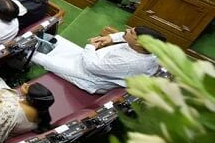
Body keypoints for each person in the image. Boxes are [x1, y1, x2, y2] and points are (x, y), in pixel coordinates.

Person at [31, 26, 163, 94]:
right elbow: (124, 36)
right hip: (96, 60)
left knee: (40, 58)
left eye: (131, 32)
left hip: (88, 77)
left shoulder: (130, 63)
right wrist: (111, 38)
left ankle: (25, 56)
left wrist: (91, 47)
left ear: (139, 43)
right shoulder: (150, 49)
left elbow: (92, 66)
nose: (127, 30)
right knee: (57, 42)